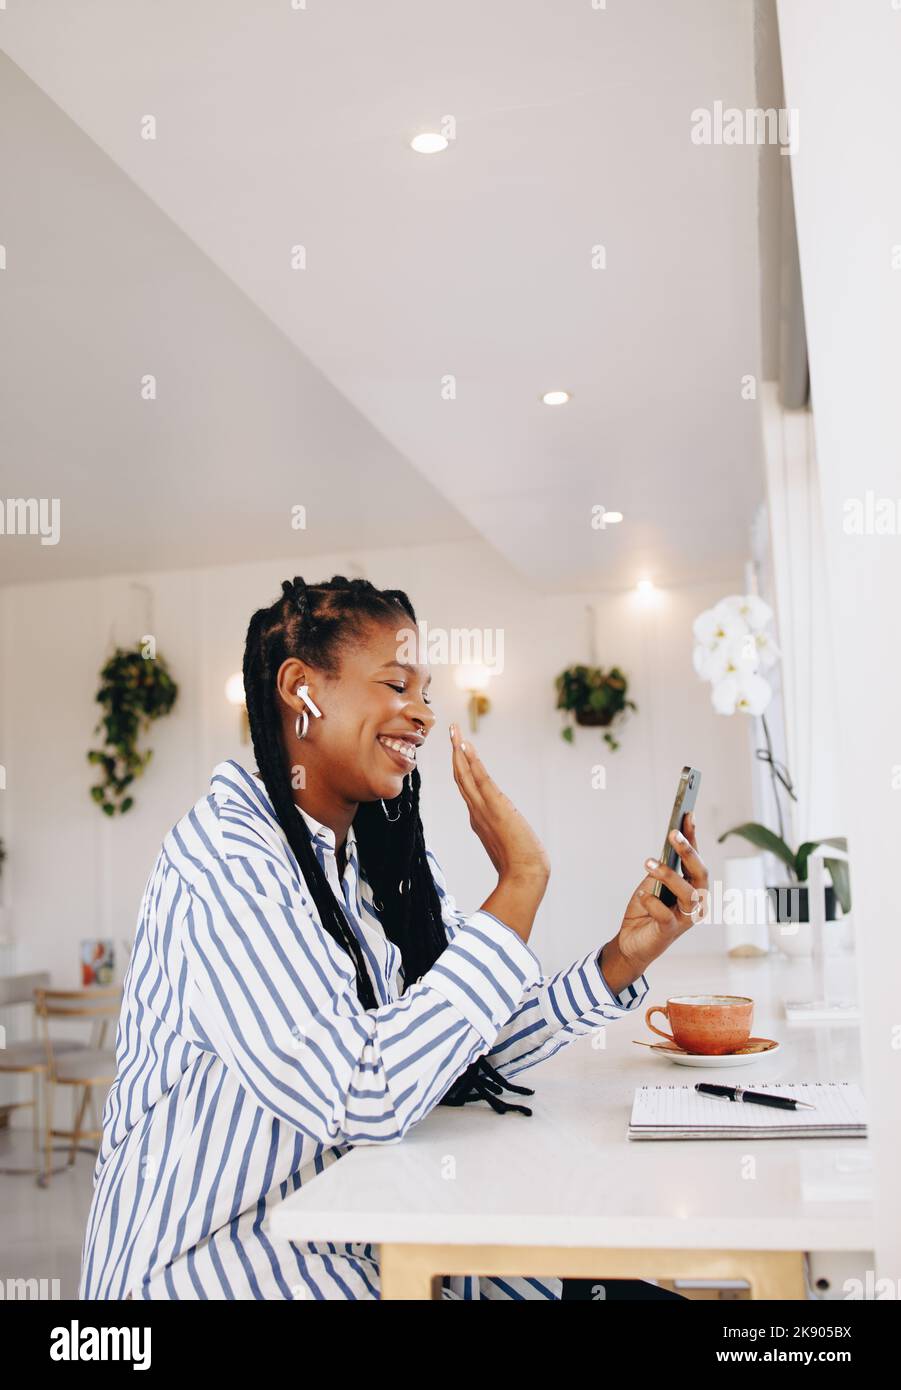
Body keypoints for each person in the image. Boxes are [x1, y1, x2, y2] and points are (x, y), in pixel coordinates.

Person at [79, 576, 708, 1300]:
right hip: (233, 1269)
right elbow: (362, 1091)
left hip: (368, 1250)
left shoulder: (379, 863)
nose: (421, 715)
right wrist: (520, 883)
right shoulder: (227, 860)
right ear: (300, 690)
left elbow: (452, 1046)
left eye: (425, 692)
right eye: (395, 685)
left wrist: (616, 960)